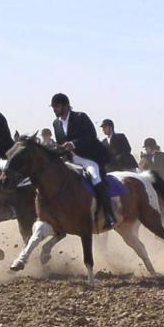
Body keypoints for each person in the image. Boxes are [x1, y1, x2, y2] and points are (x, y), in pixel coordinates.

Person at [50, 93, 116, 228]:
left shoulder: (80, 117)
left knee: (95, 177)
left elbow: (91, 136)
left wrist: (73, 144)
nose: (54, 109)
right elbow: (60, 142)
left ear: (66, 106)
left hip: (88, 158)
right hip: (71, 159)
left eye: (57, 106)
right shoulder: (56, 123)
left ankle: (110, 215)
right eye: (53, 107)